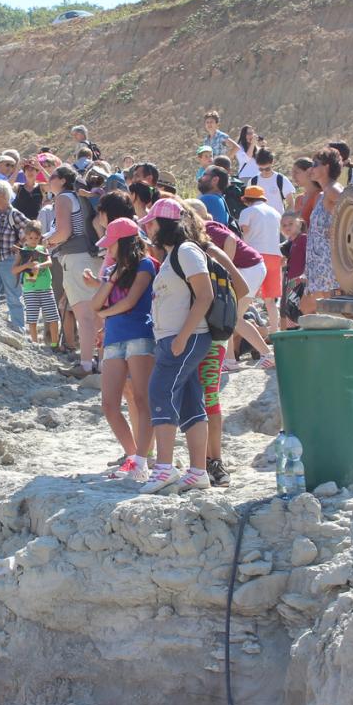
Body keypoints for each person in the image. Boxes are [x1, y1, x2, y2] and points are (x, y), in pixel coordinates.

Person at [136, 198, 214, 494]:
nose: (149, 229)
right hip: (177, 338)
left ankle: (164, 468)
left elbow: (204, 296)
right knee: (190, 401)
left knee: (160, 391)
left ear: (165, 224)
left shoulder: (186, 251)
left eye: (152, 223)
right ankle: (197, 472)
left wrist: (182, 336)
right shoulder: (173, 255)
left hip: (186, 337)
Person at [92, 217, 158, 483]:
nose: (108, 249)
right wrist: (113, 278)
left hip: (140, 335)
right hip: (115, 339)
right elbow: (94, 304)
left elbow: (131, 302)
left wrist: (106, 313)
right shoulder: (114, 269)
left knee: (143, 400)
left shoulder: (146, 264)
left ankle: (141, 460)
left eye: (111, 244)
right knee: (109, 404)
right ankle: (134, 457)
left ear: (123, 242)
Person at [185, 198, 274, 372]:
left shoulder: (207, 227)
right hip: (251, 268)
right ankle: (230, 360)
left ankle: (267, 354)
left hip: (249, 268)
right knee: (229, 315)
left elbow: (230, 241)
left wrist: (226, 270)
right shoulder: (207, 228)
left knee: (232, 317)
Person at [46, 165, 101, 379]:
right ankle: (100, 361)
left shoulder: (63, 198)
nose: (49, 180)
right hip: (92, 256)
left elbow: (64, 232)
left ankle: (85, 365)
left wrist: (47, 241)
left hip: (75, 258)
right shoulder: (81, 197)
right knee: (97, 316)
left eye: (52, 176)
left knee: (84, 316)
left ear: (61, 180)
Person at [0, 180, 29, 332]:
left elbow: (32, 228)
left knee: (14, 296)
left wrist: (21, 245)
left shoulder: (15, 214)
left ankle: (19, 328)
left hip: (9, 261)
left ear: (2, 195)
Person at [237, 185, 284, 337]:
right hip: (274, 255)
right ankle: (275, 333)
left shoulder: (247, 211)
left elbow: (244, 231)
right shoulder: (275, 212)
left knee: (247, 297)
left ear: (247, 199)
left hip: (254, 257)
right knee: (270, 300)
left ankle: (248, 330)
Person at [303, 147, 345, 314]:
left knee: (330, 311)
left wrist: (336, 230)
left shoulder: (332, 190)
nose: (310, 169)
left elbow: (349, 211)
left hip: (328, 264)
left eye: (315, 164)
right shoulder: (322, 194)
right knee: (310, 308)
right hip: (319, 264)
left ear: (326, 167)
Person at [13, 221, 61, 348]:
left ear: (40, 237)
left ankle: (55, 343)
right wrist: (26, 265)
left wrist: (39, 265)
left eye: (36, 237)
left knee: (53, 317)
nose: (33, 240)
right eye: (30, 238)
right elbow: (14, 270)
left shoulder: (42, 249)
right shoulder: (22, 252)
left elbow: (50, 262)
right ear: (25, 237)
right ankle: (35, 343)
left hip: (46, 288)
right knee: (32, 318)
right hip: (30, 290)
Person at [280, 211, 307, 330]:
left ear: (299, 224)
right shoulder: (291, 243)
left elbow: (310, 258)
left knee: (298, 311)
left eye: (290, 224)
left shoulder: (303, 239)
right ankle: (292, 334)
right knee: (290, 311)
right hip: (291, 281)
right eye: (284, 225)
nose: (287, 227)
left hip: (300, 281)